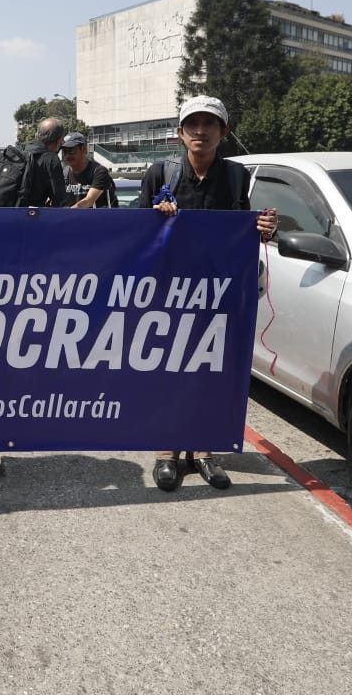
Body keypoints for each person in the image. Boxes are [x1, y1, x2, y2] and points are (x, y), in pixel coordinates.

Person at [137, 95, 276, 493]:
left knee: (208, 371)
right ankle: (166, 451)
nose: (201, 131)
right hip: (167, 292)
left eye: (209, 124)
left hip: (217, 293)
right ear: (180, 133)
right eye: (192, 124)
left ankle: (201, 450)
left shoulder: (236, 177)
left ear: (224, 132)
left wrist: (266, 226)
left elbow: (244, 228)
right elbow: (134, 235)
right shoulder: (160, 172)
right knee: (167, 368)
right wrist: (155, 219)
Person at [60, 132, 116, 208]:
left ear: (84, 149)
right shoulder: (63, 173)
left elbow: (89, 201)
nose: (67, 156)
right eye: (65, 151)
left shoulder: (99, 172)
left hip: (96, 219)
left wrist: (65, 214)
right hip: (71, 219)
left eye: (71, 151)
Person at [22, 118, 69, 207]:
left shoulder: (20, 154)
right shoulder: (51, 159)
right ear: (59, 141)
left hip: (0, 215)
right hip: (28, 218)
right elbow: (60, 200)